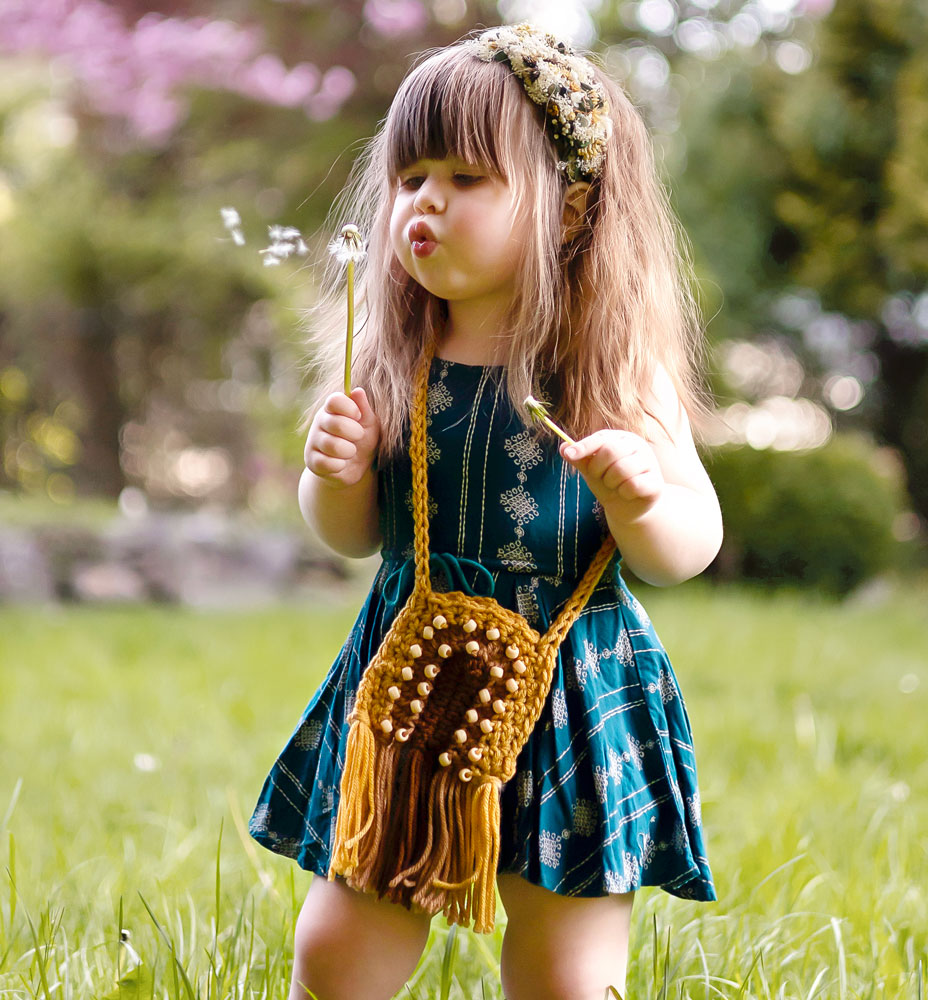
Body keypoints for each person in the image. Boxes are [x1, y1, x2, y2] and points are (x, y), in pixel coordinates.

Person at [249, 22, 723, 1000]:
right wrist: (334, 477)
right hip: (412, 679)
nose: (425, 200)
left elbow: (686, 549)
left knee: (566, 971)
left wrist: (640, 499)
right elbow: (354, 537)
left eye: (466, 178)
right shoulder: (390, 363)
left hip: (573, 681)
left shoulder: (609, 375)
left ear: (570, 206)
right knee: (338, 948)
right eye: (410, 176)